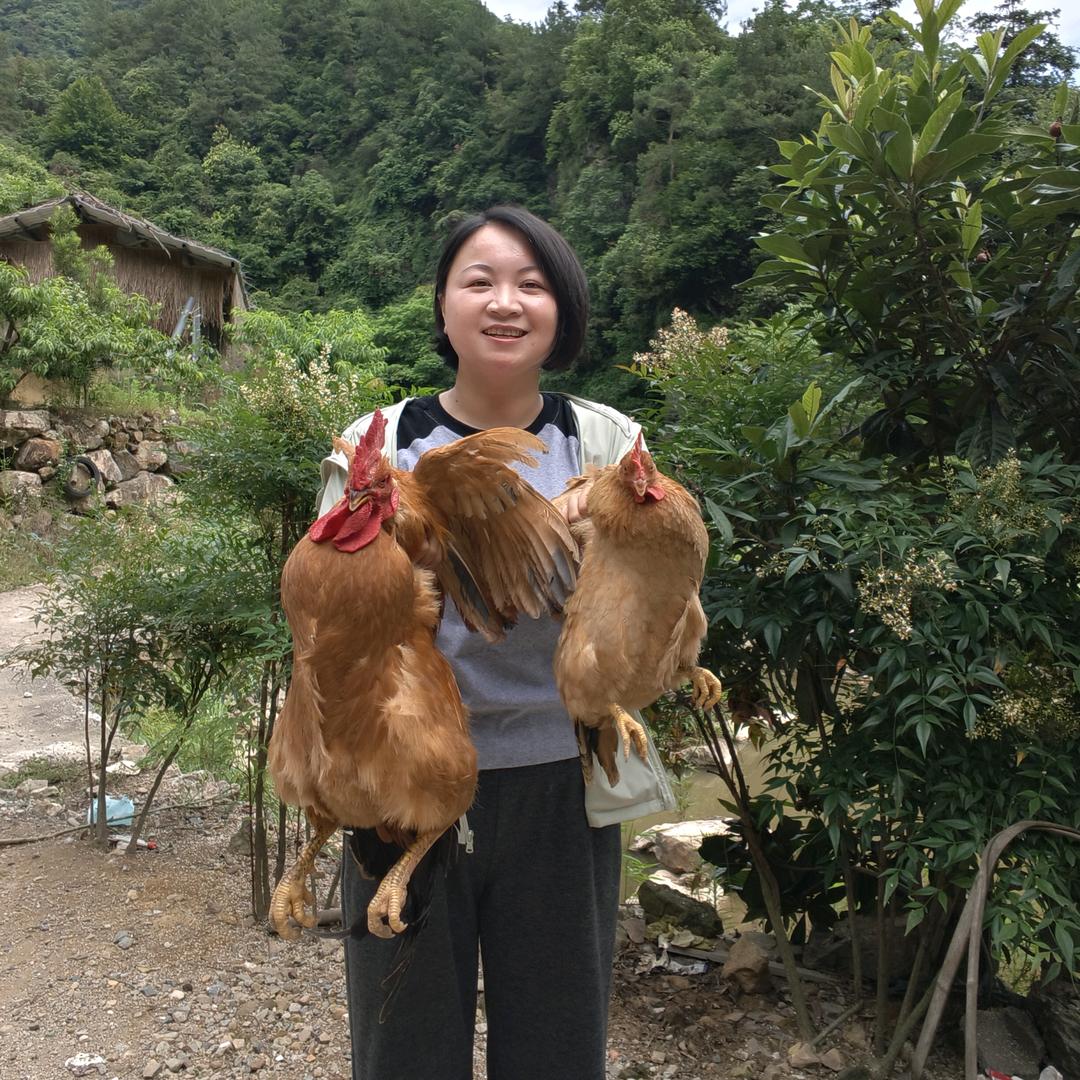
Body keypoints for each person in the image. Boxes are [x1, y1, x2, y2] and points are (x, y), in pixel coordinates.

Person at [317, 205, 673, 1080]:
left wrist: (603, 558)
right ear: (443, 309)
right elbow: (324, 624)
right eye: (479, 281)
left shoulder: (607, 441)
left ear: (564, 309)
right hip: (401, 782)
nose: (505, 301)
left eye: (532, 283)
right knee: (404, 1046)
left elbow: (652, 614)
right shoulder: (378, 443)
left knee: (557, 1043)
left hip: (561, 782)